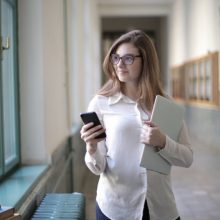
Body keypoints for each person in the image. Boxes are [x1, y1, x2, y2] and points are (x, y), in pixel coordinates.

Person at [80, 30, 193, 220]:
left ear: (145, 61)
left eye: (128, 58)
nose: (119, 64)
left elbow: (187, 158)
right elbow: (98, 168)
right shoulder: (100, 103)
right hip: (116, 209)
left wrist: (162, 142)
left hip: (160, 207)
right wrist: (91, 148)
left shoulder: (166, 104)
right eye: (116, 58)